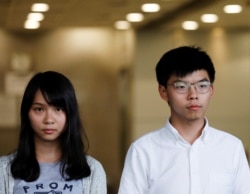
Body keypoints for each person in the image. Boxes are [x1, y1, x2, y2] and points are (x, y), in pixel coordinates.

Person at [118, 45, 250, 194]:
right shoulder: (143, 151)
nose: (193, 95)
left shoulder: (231, 147)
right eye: (181, 86)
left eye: (202, 85)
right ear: (163, 92)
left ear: (211, 90)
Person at [0, 71, 107, 194]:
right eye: (39, 109)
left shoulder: (92, 170)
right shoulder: (4, 169)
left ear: (70, 114)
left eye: (58, 109)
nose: (49, 119)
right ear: (27, 113)